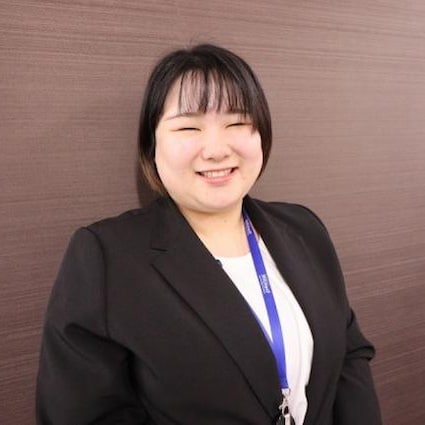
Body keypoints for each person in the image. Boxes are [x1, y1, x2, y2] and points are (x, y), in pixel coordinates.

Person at [36, 44, 382, 425]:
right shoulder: (106, 258)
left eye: (237, 123)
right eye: (189, 127)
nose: (217, 150)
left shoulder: (304, 229)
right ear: (152, 145)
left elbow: (348, 356)